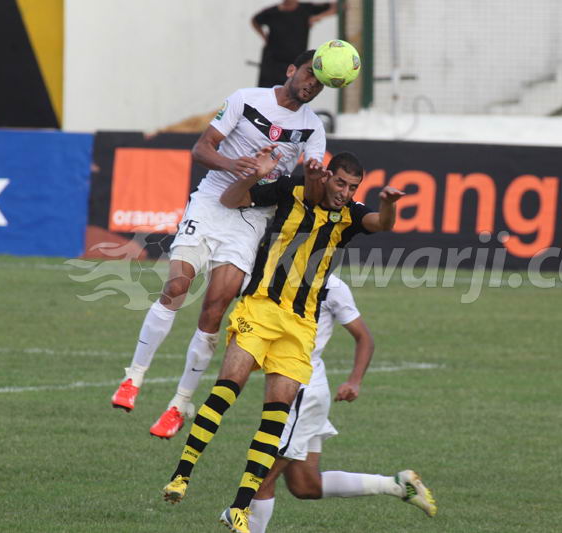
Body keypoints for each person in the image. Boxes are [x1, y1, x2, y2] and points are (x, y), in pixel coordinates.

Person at [161, 150, 405, 533]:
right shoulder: (289, 190)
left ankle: (240, 507)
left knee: (274, 418)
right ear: (326, 176)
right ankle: (181, 475)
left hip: (301, 326)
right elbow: (234, 199)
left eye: (353, 187)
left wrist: (388, 204)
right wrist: (260, 174)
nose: (344, 192)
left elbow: (382, 224)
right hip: (259, 308)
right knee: (227, 390)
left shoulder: (351, 215)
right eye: (339, 182)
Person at [110, 49, 327, 441]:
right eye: (310, 74)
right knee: (176, 288)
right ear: (292, 69)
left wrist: (314, 175)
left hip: (251, 218)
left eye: (321, 82)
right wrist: (236, 165)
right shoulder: (246, 98)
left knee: (214, 312)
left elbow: (312, 194)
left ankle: (179, 404)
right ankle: (133, 378)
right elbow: (202, 148)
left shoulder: (313, 128)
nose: (312, 84)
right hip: (212, 201)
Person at [248, 274, 436, 532]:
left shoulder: (332, 287)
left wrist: (354, 382)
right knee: (305, 485)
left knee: (258, 479)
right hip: (293, 389)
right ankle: (396, 484)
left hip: (303, 392)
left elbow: (364, 338)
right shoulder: (272, 274)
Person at [252, 1, 337, 88]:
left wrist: (317, 17)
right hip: (272, 62)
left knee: (290, 92)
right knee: (266, 90)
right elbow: (255, 20)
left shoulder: (306, 9)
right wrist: (264, 37)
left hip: (293, 61)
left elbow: (336, 7)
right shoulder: (272, 12)